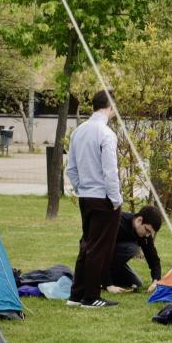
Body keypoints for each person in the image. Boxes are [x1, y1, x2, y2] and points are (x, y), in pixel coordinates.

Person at [64, 90, 123, 309]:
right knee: (98, 248)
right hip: (103, 198)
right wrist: (115, 199)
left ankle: (76, 295)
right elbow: (110, 171)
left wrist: (82, 187)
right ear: (109, 107)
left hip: (85, 197)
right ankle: (91, 296)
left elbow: (71, 168)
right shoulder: (106, 134)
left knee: (86, 244)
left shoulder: (78, 131)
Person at [105, 205, 165, 294]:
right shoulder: (117, 222)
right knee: (132, 249)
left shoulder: (145, 234)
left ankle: (107, 278)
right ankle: (98, 278)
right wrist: (108, 285)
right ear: (139, 220)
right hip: (97, 259)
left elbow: (153, 258)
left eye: (150, 233)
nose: (147, 235)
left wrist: (156, 281)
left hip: (112, 263)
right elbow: (102, 253)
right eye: (147, 230)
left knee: (137, 283)